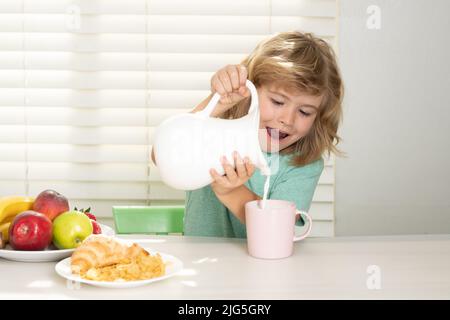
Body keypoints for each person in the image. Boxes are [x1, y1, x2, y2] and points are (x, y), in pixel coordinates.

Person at [152, 31, 343, 238]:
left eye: (304, 112)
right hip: (200, 264)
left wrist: (232, 192)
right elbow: (159, 156)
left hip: (262, 268)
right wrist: (216, 103)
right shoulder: (214, 132)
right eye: (278, 102)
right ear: (252, 89)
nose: (287, 120)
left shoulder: (302, 165)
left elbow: (280, 233)